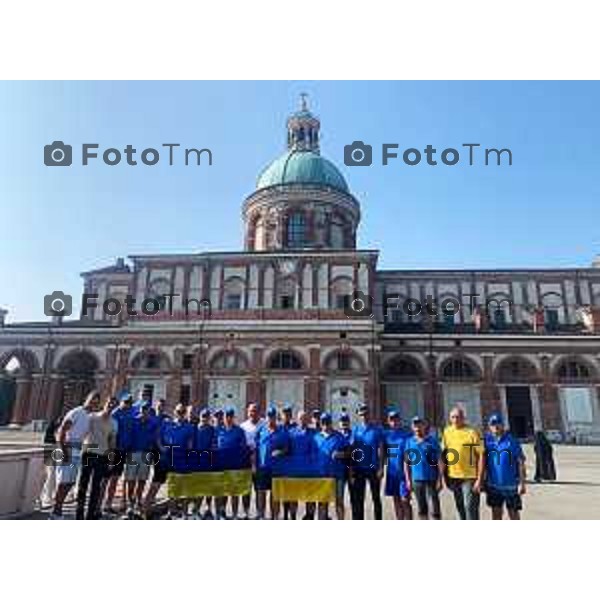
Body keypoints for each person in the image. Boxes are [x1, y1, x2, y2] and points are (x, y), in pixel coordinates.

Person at [49, 390, 100, 519]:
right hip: (66, 450)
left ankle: (58, 510)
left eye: (97, 401)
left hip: (77, 453)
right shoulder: (76, 412)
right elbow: (62, 431)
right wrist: (64, 451)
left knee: (70, 482)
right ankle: (55, 512)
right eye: (92, 399)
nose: (94, 402)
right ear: (87, 399)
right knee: (63, 482)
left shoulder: (91, 417)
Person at [76, 396, 117, 519]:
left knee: (96, 487)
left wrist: (111, 460)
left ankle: (90, 515)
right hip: (88, 453)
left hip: (102, 456)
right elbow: (82, 433)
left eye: (114, 405)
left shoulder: (113, 422)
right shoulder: (92, 417)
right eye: (110, 403)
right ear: (106, 403)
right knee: (83, 485)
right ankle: (79, 514)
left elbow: (112, 443)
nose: (111, 406)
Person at [440, 405, 484, 520]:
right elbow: (444, 455)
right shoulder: (447, 432)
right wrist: (442, 476)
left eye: (458, 417)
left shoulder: (472, 432)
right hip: (453, 477)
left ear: (463, 418)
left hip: (469, 477)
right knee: (460, 507)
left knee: (470, 507)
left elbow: (481, 455)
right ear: (450, 419)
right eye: (453, 417)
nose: (455, 420)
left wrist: (479, 479)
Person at [484, 413, 526, 520]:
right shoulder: (487, 441)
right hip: (493, 485)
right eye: (493, 424)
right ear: (489, 426)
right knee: (496, 514)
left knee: (513, 514)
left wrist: (522, 483)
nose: (496, 426)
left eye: (498, 423)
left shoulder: (512, 441)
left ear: (503, 425)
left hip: (511, 486)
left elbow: (521, 462)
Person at [124, 400, 160, 518]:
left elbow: (156, 439)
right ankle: (130, 503)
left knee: (142, 480)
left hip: (146, 454)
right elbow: (128, 437)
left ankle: (139, 500)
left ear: (149, 411)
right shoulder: (133, 421)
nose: (144, 411)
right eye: (143, 409)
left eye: (147, 409)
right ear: (139, 410)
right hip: (133, 453)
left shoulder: (153, 423)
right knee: (130, 480)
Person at [349, 403, 384, 520]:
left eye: (366, 414)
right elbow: (352, 449)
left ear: (370, 414)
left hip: (373, 468)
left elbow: (381, 449)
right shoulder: (355, 430)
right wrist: (352, 469)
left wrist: (381, 468)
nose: (364, 416)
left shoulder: (377, 430)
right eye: (362, 414)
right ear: (359, 415)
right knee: (359, 498)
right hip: (359, 469)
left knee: (376, 498)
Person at [405, 416, 442, 520]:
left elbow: (439, 461)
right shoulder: (409, 441)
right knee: (422, 508)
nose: (417, 427)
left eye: (419, 424)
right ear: (412, 427)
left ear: (424, 426)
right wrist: (408, 480)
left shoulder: (432, 441)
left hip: (431, 479)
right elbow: (406, 463)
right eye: (415, 424)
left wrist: (440, 479)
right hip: (417, 480)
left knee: (435, 508)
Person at [314, 412, 350, 519]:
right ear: (320, 423)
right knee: (322, 503)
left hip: (337, 475)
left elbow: (350, 453)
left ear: (331, 423)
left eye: (327, 422)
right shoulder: (316, 437)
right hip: (322, 476)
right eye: (323, 422)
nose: (325, 424)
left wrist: (342, 454)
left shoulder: (339, 436)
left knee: (339, 502)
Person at [162, 403, 195, 519]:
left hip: (184, 461)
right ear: (174, 412)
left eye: (182, 412)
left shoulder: (189, 427)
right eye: (178, 411)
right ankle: (171, 512)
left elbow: (190, 446)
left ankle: (185, 514)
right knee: (172, 487)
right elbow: (163, 439)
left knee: (185, 489)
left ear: (185, 413)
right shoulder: (168, 425)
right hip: (171, 460)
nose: (180, 414)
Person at [104, 392, 135, 514]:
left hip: (126, 450)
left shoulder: (132, 413)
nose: (128, 404)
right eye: (126, 402)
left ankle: (120, 502)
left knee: (119, 477)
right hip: (114, 450)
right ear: (121, 401)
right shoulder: (115, 414)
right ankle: (106, 503)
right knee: (109, 478)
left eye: (130, 402)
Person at [255, 406, 289, 519]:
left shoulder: (282, 431)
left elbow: (287, 448)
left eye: (273, 416)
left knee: (275, 495)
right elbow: (256, 448)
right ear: (266, 417)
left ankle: (274, 517)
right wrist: (254, 465)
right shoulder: (261, 430)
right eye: (269, 416)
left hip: (277, 468)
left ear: (276, 417)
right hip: (262, 467)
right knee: (261, 493)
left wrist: (281, 451)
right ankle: (261, 516)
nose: (271, 419)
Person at [216, 407, 248, 519]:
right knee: (222, 491)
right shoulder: (219, 430)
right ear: (223, 418)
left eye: (230, 416)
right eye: (226, 416)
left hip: (234, 466)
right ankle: (221, 512)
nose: (228, 419)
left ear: (233, 417)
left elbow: (243, 448)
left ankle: (234, 515)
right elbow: (214, 446)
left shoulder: (239, 431)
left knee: (234, 492)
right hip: (221, 466)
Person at [287, 410, 316, 519]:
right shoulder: (291, 432)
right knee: (293, 497)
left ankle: (309, 516)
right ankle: (293, 517)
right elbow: (286, 449)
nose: (302, 420)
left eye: (304, 418)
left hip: (310, 471)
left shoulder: (313, 433)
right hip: (294, 470)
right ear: (297, 419)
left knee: (310, 497)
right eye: (300, 418)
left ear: (308, 420)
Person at [384, 410, 412, 520]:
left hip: (404, 474)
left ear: (399, 420)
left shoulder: (407, 434)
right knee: (396, 500)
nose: (394, 422)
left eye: (396, 419)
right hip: (392, 473)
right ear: (388, 421)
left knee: (405, 500)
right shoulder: (386, 434)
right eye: (392, 420)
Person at [190, 407, 216, 519]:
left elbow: (214, 444)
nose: (205, 418)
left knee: (208, 487)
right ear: (200, 417)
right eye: (203, 416)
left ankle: (208, 509)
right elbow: (191, 445)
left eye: (207, 416)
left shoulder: (212, 430)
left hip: (208, 460)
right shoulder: (195, 429)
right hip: (197, 461)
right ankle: (196, 508)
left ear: (209, 418)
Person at [240, 402, 263, 519]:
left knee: (259, 489)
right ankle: (246, 512)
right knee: (246, 489)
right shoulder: (243, 426)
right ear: (247, 412)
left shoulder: (264, 424)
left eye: (255, 411)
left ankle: (259, 513)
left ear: (259, 412)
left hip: (260, 462)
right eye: (250, 411)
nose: (253, 413)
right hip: (246, 461)